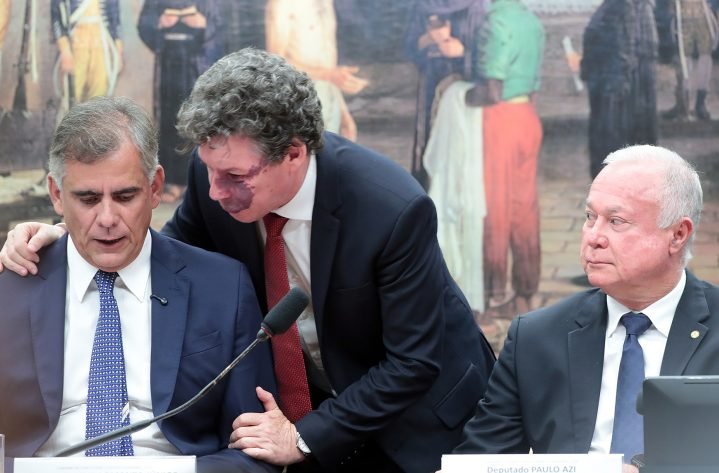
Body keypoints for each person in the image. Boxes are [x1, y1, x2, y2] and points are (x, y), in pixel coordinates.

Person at [0, 48, 496, 473]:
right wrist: (66, 239)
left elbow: (412, 362)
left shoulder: (390, 209)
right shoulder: (215, 175)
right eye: (209, 169)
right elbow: (162, 259)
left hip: (420, 419)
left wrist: (304, 438)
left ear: (294, 154)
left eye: (235, 177)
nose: (216, 192)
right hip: (309, 411)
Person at [0, 96, 279, 473]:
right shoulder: (11, 285)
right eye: (87, 198)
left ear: (155, 187)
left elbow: (256, 453)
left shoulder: (223, 287)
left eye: (125, 196)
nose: (107, 218)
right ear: (56, 194)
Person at [451, 145, 719, 471]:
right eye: (590, 217)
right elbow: (479, 461)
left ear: (677, 235)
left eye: (616, 221)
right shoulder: (536, 337)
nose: (594, 237)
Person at [465, 0, 544, 318]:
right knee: (524, 209)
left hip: (500, 121)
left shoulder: (494, 22)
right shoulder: (531, 21)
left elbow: (492, 91)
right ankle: (525, 294)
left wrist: (458, 94)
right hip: (527, 116)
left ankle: (493, 296)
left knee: (494, 209)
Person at [138, 0, 223, 203]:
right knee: (170, 121)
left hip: (198, 62)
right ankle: (173, 182)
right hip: (169, 62)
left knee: (199, 121)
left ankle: (197, 182)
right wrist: (159, 22)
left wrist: (204, 24)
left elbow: (222, 27)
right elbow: (144, 23)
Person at [404, 0, 488, 189]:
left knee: (461, 146)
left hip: (464, 88)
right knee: (429, 143)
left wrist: (463, 52)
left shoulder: (476, 7)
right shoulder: (424, 4)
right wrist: (428, 39)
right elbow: (410, 47)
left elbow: (490, 53)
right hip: (430, 86)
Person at [265, 0, 368, 141]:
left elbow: (329, 67)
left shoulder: (326, 2)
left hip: (329, 109)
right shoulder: (283, 3)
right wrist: (329, 76)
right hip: (299, 110)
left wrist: (344, 114)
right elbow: (276, 63)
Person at [580, 0, 659, 179]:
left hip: (616, 88)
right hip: (616, 85)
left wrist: (616, 86)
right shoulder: (625, 6)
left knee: (613, 142)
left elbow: (628, 49)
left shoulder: (624, 6)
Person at [51, 0, 123, 110]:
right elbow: (56, 17)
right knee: (72, 96)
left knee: (99, 97)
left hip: (101, 43)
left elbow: (115, 19)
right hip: (75, 43)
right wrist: (64, 50)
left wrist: (118, 52)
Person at [662, 0, 719, 120]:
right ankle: (683, 103)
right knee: (684, 57)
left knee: (705, 55)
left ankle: (701, 103)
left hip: (704, 14)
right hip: (682, 14)